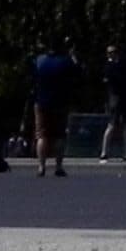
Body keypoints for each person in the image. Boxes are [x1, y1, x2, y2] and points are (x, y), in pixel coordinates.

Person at [32, 41, 80, 178]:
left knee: (42, 135)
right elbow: (77, 72)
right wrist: (73, 56)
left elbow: (33, 77)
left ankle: (41, 166)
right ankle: (58, 166)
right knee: (59, 135)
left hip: (41, 101)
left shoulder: (39, 61)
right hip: (60, 102)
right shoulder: (65, 61)